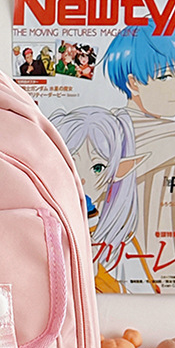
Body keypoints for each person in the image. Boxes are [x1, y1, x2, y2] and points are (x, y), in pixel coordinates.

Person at [101, 23, 175, 280]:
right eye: (166, 76)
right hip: (169, 271)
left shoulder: (101, 133)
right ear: (133, 82)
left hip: (106, 270)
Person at [50, 105, 149, 292]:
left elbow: (139, 294)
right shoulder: (44, 230)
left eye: (97, 168)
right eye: (70, 163)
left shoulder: (120, 243)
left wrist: (98, 274)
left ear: (119, 171)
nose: (82, 179)